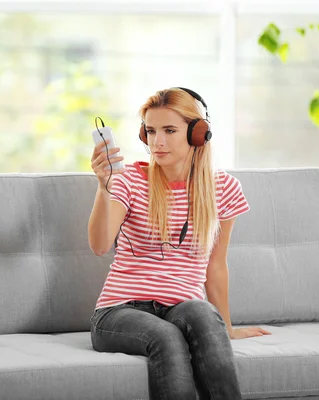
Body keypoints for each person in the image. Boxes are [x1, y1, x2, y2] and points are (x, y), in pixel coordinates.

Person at [87, 87, 271, 400]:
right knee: (166, 336)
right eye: (151, 131)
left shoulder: (223, 188)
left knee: (203, 315)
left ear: (198, 133)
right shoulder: (130, 180)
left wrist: (225, 327)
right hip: (118, 312)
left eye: (170, 131)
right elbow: (100, 245)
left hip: (181, 307)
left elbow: (216, 265)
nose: (157, 142)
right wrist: (104, 188)